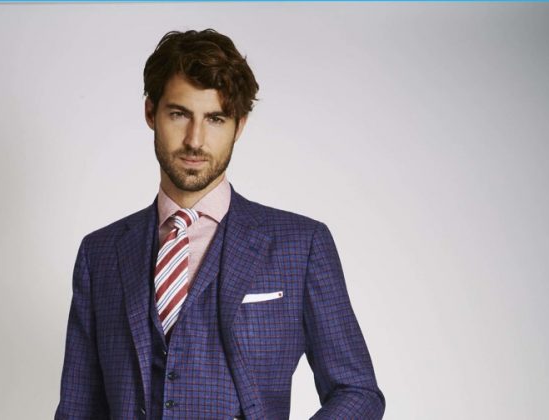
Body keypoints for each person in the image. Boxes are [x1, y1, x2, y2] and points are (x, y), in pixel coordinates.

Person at [54, 28, 385, 420]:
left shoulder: (301, 246)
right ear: (150, 113)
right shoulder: (100, 254)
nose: (195, 140)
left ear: (239, 125)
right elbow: (77, 409)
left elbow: (357, 392)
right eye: (179, 114)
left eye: (215, 118)